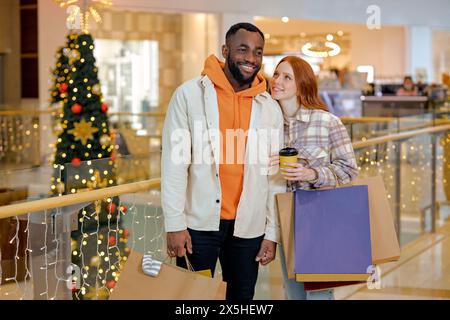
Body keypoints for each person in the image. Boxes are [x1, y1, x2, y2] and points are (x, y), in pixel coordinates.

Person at [161, 22, 285, 301]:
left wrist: (272, 233)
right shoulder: (189, 95)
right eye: (243, 49)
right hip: (198, 225)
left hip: (248, 227)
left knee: (241, 298)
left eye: (258, 52)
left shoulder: (268, 106)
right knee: (193, 299)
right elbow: (174, 165)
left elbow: (274, 176)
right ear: (225, 50)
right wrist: (174, 223)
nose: (251, 59)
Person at [269, 56, 358, 300]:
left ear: (302, 85)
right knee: (294, 294)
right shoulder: (268, 123)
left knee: (318, 296)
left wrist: (311, 173)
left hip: (318, 221)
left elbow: (349, 170)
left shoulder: (327, 122)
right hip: (283, 222)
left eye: (287, 77)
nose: (277, 81)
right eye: (276, 75)